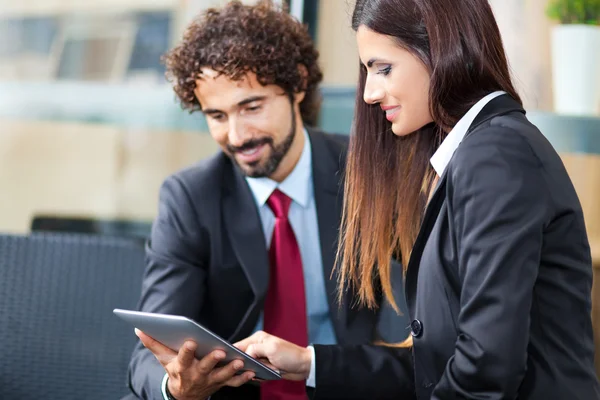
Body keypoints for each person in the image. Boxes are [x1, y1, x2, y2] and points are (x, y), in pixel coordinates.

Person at [235, 0, 600, 399]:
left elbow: (485, 371)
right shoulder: (479, 154)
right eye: (367, 72)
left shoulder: (496, 156)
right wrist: (309, 363)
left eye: (383, 68)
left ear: (437, 47)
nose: (370, 93)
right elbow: (440, 365)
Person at [126, 1, 409, 399]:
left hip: (342, 384)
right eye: (218, 116)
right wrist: (175, 388)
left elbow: (440, 307)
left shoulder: (365, 172)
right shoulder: (190, 198)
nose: (238, 135)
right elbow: (147, 351)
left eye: (252, 107)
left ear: (297, 84)